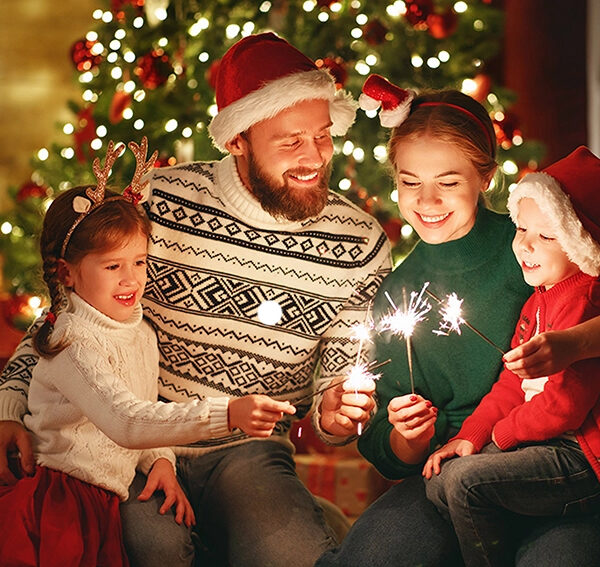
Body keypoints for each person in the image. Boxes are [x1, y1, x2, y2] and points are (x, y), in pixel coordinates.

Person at [0, 34, 391, 567]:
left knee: (289, 552)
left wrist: (332, 413)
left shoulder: (360, 243)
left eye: (323, 136)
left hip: (248, 451)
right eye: (291, 141)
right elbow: (66, 322)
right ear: (238, 141)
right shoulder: (158, 202)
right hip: (136, 445)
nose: (314, 157)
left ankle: (292, 521)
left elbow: (338, 379)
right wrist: (10, 410)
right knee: (151, 544)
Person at [316, 75, 600, 567]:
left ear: (484, 177)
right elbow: (381, 436)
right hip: (449, 462)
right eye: (409, 183)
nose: (426, 202)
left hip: (557, 461)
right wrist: (408, 440)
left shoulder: (539, 246)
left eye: (447, 183)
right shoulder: (400, 293)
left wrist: (575, 343)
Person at [0, 138, 300, 566]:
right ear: (66, 273)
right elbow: (125, 420)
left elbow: (144, 405)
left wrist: (160, 460)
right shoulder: (72, 341)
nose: (131, 280)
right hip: (61, 501)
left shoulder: (139, 331)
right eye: (112, 266)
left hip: (104, 499)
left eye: (139, 262)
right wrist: (226, 412)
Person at [422, 146, 600, 566]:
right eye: (521, 229)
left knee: (465, 483)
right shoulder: (536, 301)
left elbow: (564, 408)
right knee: (438, 480)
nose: (526, 246)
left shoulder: (585, 300)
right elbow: (511, 383)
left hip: (579, 456)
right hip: (537, 443)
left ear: (582, 243)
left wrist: (500, 440)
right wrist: (472, 435)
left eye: (547, 236)